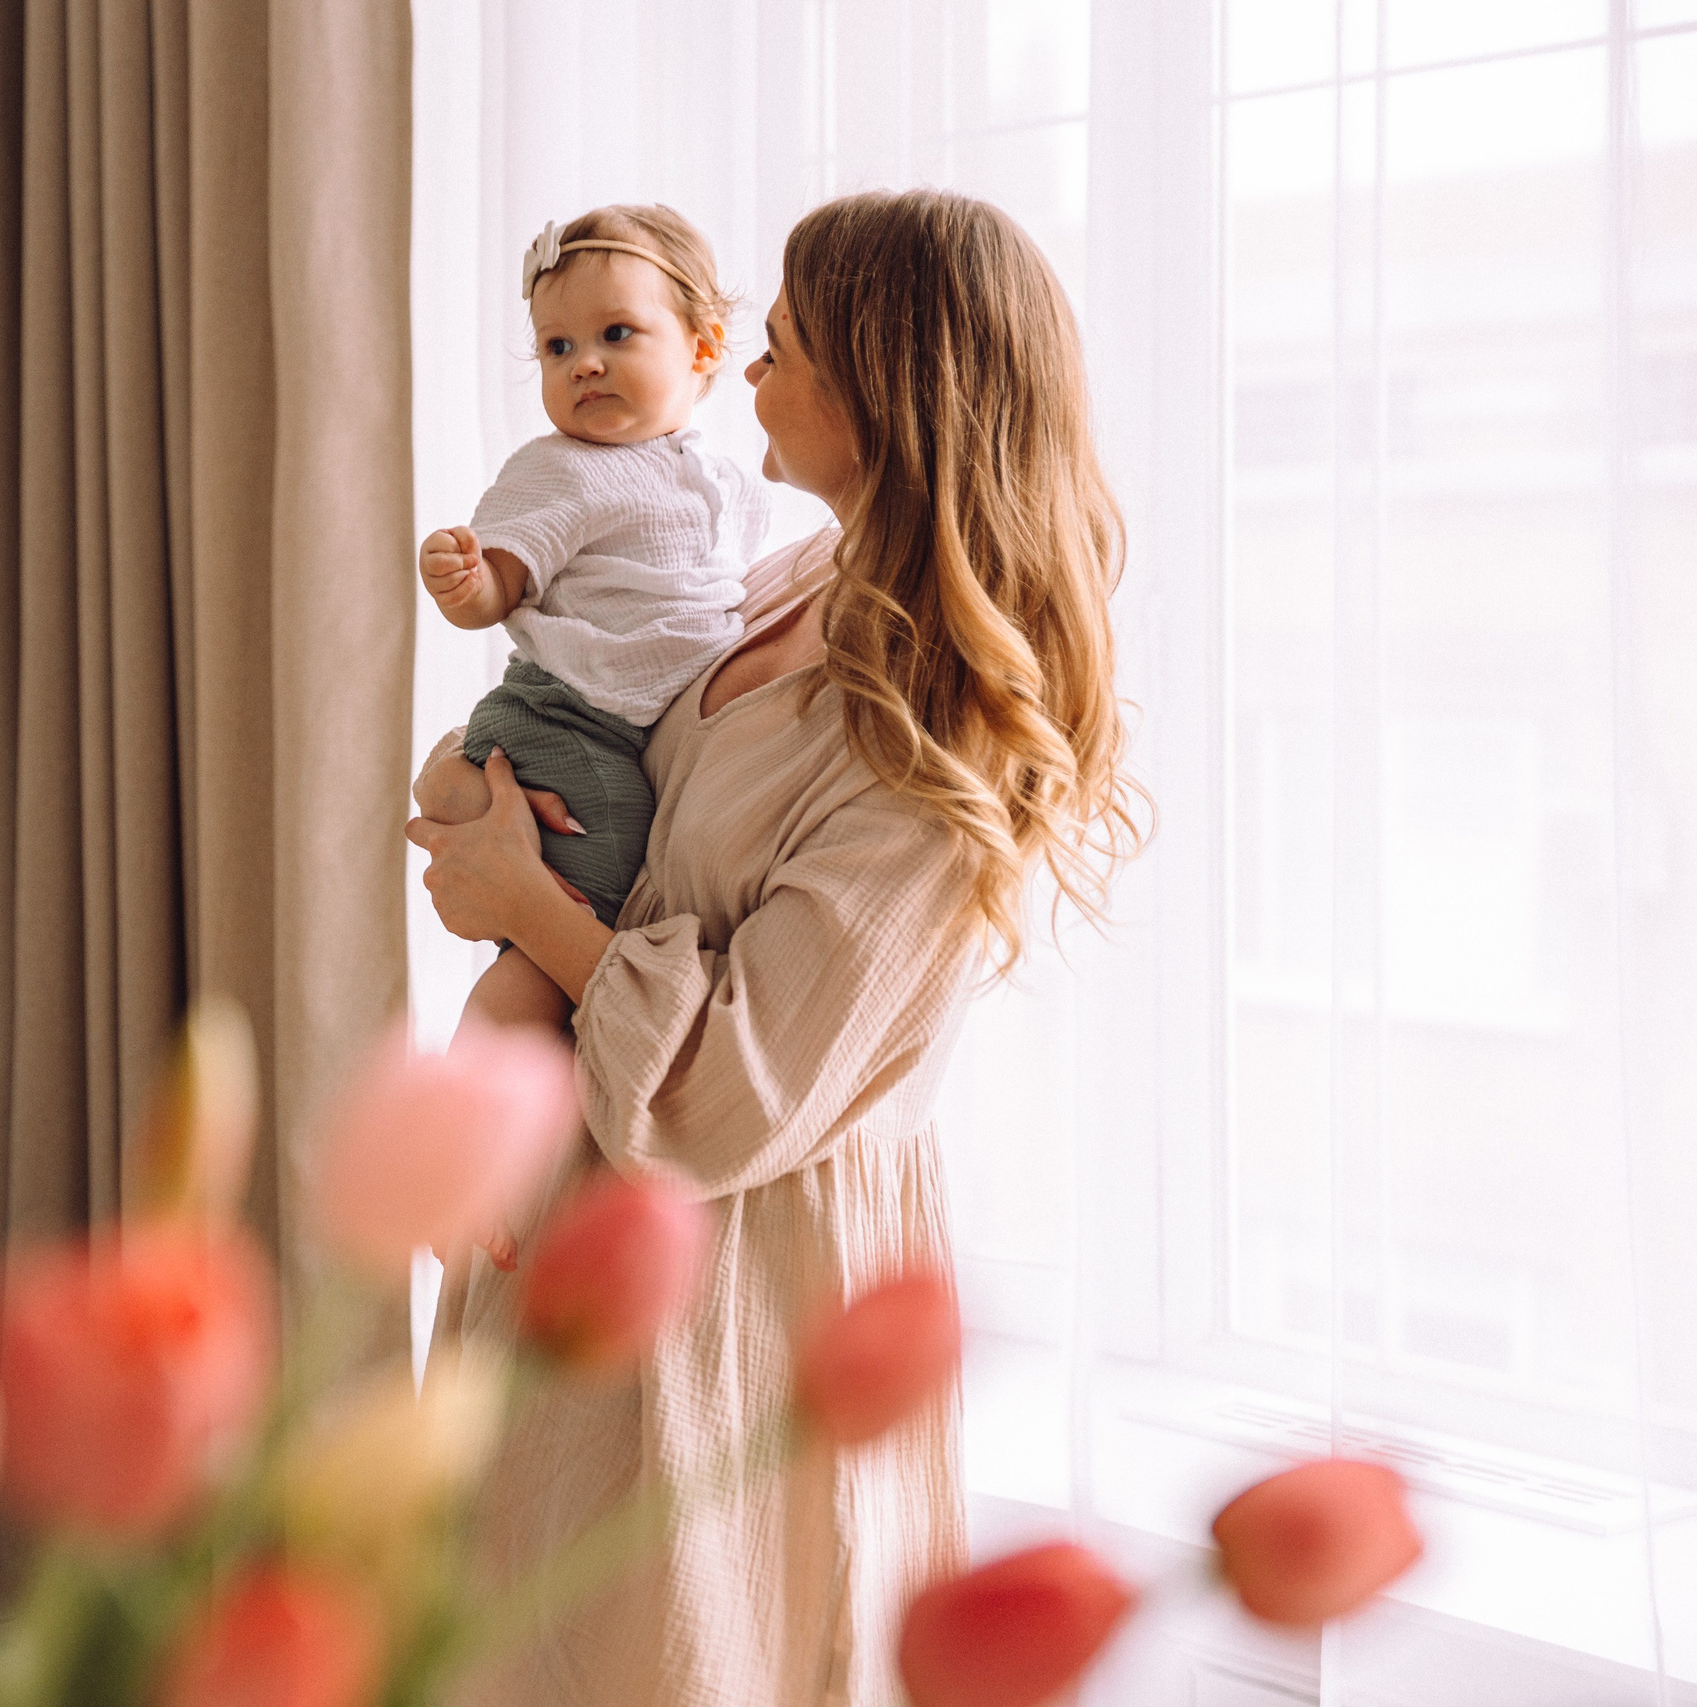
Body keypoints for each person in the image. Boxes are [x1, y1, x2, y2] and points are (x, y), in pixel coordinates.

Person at [405, 188, 1144, 1707]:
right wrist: (495, 813)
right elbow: (631, 801)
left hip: (729, 1296)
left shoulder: (935, 717)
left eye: (786, 348)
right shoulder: (794, 582)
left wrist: (519, 899)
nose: (747, 373)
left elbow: (730, 1090)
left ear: (885, 386)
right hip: (580, 1227)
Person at [417, 205, 771, 1057]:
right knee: (611, 869)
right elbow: (505, 579)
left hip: (617, 721)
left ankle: (472, 818)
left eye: (616, 333)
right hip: (564, 716)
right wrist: (468, 580)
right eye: (557, 348)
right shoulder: (562, 469)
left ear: (704, 348)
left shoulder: (730, 482)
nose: (585, 366)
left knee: (599, 880)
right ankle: (489, 1057)